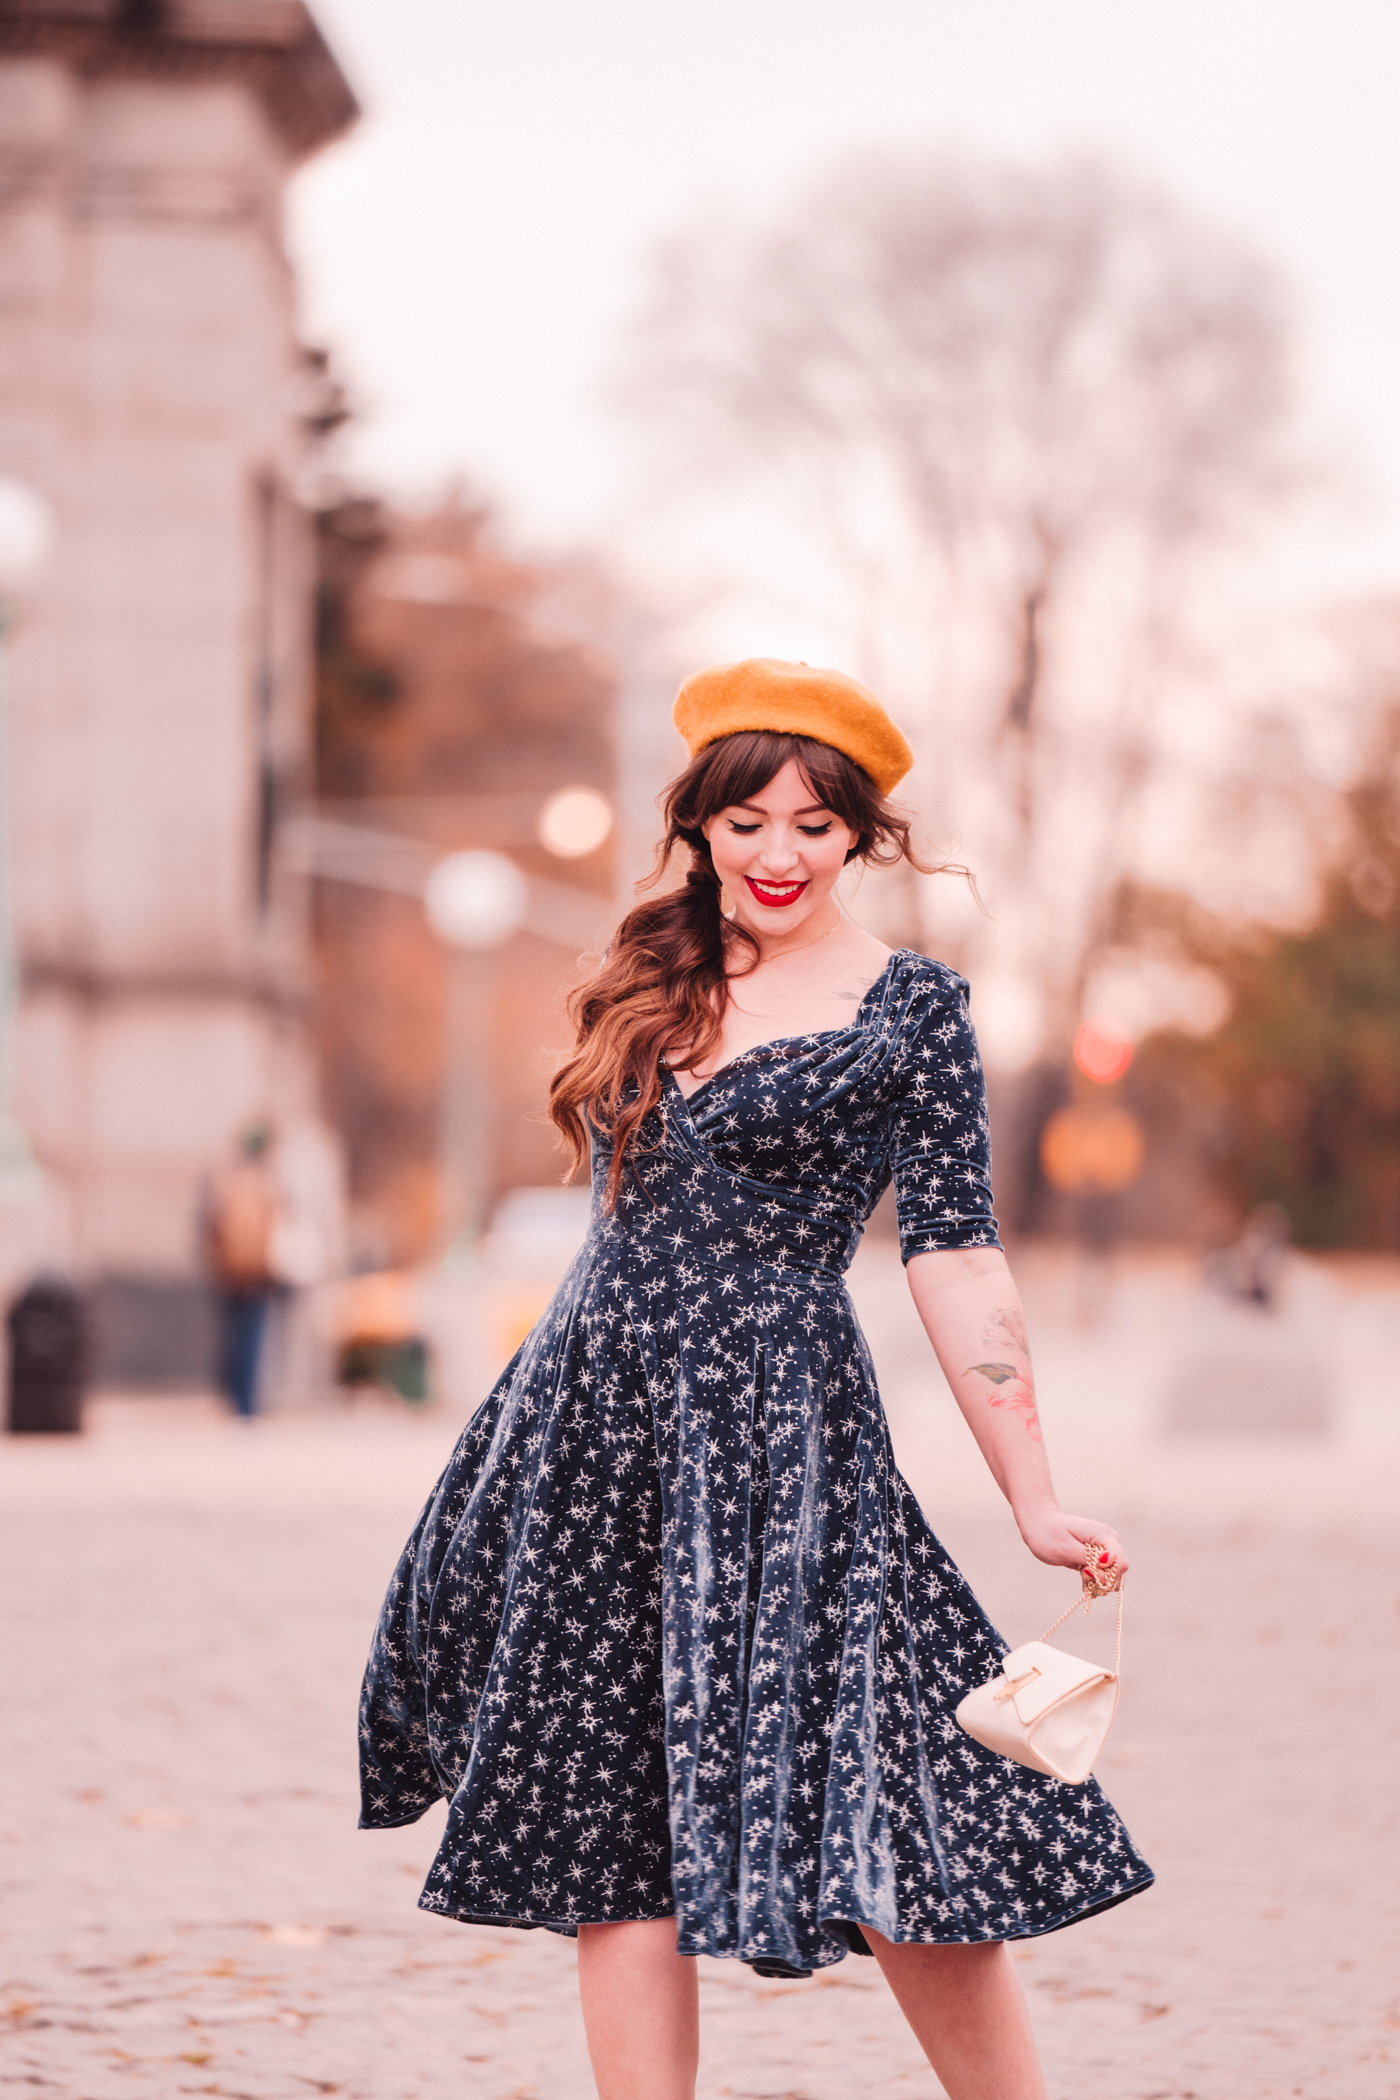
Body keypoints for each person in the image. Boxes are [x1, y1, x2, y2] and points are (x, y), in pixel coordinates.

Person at [359, 659, 1153, 2100]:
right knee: (614, 1834)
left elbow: (957, 1257)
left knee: (900, 1790)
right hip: (589, 1424)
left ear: (862, 838)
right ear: (701, 827)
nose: (777, 855)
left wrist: (1030, 1493)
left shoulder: (910, 1008)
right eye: (745, 822)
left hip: (784, 1432)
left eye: (813, 824)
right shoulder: (646, 971)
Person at [203, 1119, 282, 1419]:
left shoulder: (224, 1180)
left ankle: (233, 1398)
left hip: (229, 1271)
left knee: (232, 1338)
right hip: (258, 1272)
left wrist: (217, 1261)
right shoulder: (269, 1183)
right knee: (252, 1338)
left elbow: (210, 1224)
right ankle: (247, 1403)